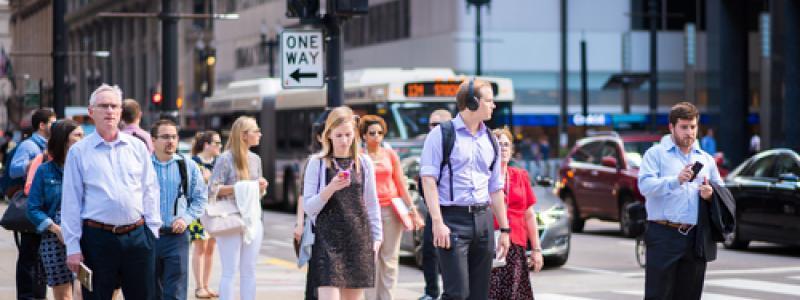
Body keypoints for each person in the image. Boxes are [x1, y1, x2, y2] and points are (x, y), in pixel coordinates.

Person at [61, 84, 162, 300]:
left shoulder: (137, 147)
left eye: (114, 106)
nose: (110, 111)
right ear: (91, 112)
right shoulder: (79, 152)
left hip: (138, 237)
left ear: (120, 112)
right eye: (104, 106)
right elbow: (71, 201)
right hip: (97, 240)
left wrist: (152, 231)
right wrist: (72, 246)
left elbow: (150, 190)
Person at [420, 79, 511, 300]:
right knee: (457, 294)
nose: (494, 105)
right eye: (489, 101)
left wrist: (505, 231)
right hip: (452, 220)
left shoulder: (491, 139)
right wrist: (438, 222)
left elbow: (496, 188)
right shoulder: (441, 134)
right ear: (472, 103)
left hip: (484, 219)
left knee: (479, 295)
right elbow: (428, 180)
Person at [637, 102, 722, 300]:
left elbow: (721, 190)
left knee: (690, 295)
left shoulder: (706, 159)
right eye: (684, 127)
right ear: (671, 127)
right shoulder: (655, 154)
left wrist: (711, 195)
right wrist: (675, 180)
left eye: (693, 127)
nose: (689, 132)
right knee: (658, 295)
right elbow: (645, 187)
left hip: (695, 237)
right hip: (663, 234)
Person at [302, 106, 382, 300]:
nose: (344, 141)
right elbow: (309, 207)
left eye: (348, 135)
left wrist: (377, 238)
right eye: (338, 135)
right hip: (327, 239)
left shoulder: (363, 163)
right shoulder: (317, 163)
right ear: (328, 135)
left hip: (358, 237)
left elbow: (372, 203)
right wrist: (331, 188)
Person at [359, 115, 423, 300]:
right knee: (371, 258)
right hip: (367, 212)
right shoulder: (359, 157)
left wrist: (413, 210)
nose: (377, 136)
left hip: (390, 210)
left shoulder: (390, 155)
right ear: (363, 135)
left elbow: (401, 184)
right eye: (372, 133)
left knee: (390, 259)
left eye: (380, 133)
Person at [210, 116, 268, 300]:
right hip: (230, 218)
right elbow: (212, 190)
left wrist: (260, 187)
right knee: (229, 271)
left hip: (252, 219)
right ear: (244, 135)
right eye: (256, 131)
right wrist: (244, 186)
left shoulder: (256, 159)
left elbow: (256, 194)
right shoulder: (226, 159)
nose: (260, 134)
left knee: (249, 270)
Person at [26, 119, 84, 300]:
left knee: (84, 291)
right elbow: (33, 208)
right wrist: (56, 229)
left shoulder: (88, 167)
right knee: (63, 295)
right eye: (78, 135)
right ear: (64, 139)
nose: (84, 138)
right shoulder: (45, 171)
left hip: (86, 234)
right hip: (54, 237)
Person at [151, 119, 208, 300]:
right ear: (153, 140)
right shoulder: (143, 166)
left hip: (176, 238)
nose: (171, 141)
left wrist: (185, 219)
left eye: (174, 137)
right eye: (165, 137)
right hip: (148, 237)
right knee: (149, 292)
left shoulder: (187, 166)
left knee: (175, 293)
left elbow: (200, 198)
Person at [487, 127, 543, 300]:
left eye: (506, 144)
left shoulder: (520, 175)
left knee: (514, 294)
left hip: (517, 246)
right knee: (491, 293)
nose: (503, 148)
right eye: (498, 144)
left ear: (511, 150)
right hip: (491, 244)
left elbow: (529, 215)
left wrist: (536, 249)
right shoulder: (483, 176)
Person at [10, 108, 55, 300]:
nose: (55, 125)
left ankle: (37, 294)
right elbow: (13, 170)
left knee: (39, 258)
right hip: (31, 208)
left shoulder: (50, 145)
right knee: (29, 257)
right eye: (52, 122)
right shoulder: (30, 146)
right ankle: (28, 295)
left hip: (43, 208)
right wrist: (33, 164)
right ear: (42, 125)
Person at [419, 109, 452, 300]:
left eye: (440, 125)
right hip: (433, 209)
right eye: (433, 124)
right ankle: (431, 292)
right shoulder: (427, 147)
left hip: (454, 208)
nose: (436, 128)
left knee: (452, 254)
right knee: (429, 252)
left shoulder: (455, 145)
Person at [188, 130, 222, 299]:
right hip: (198, 211)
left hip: (215, 210)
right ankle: (199, 287)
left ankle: (207, 285)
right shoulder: (193, 163)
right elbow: (190, 188)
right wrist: (205, 180)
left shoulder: (219, 163)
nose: (219, 146)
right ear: (206, 145)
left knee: (211, 248)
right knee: (200, 247)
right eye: (216, 143)